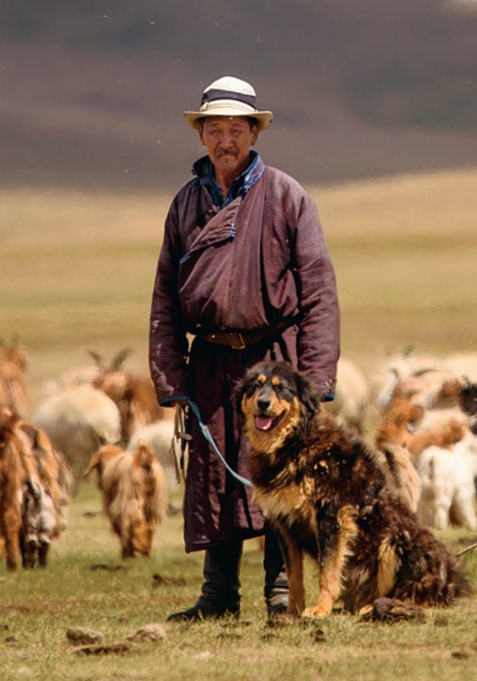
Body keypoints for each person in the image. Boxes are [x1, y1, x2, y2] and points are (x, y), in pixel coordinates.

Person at [147, 75, 341, 620]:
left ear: (254, 133)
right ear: (201, 135)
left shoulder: (286, 195)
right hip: (210, 360)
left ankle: (282, 592)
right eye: (215, 129)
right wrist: (171, 376)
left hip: (274, 358)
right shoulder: (186, 204)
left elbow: (319, 291)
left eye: (237, 129)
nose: (225, 140)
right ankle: (217, 596)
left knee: (281, 473)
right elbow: (165, 295)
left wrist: (316, 379)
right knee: (213, 474)